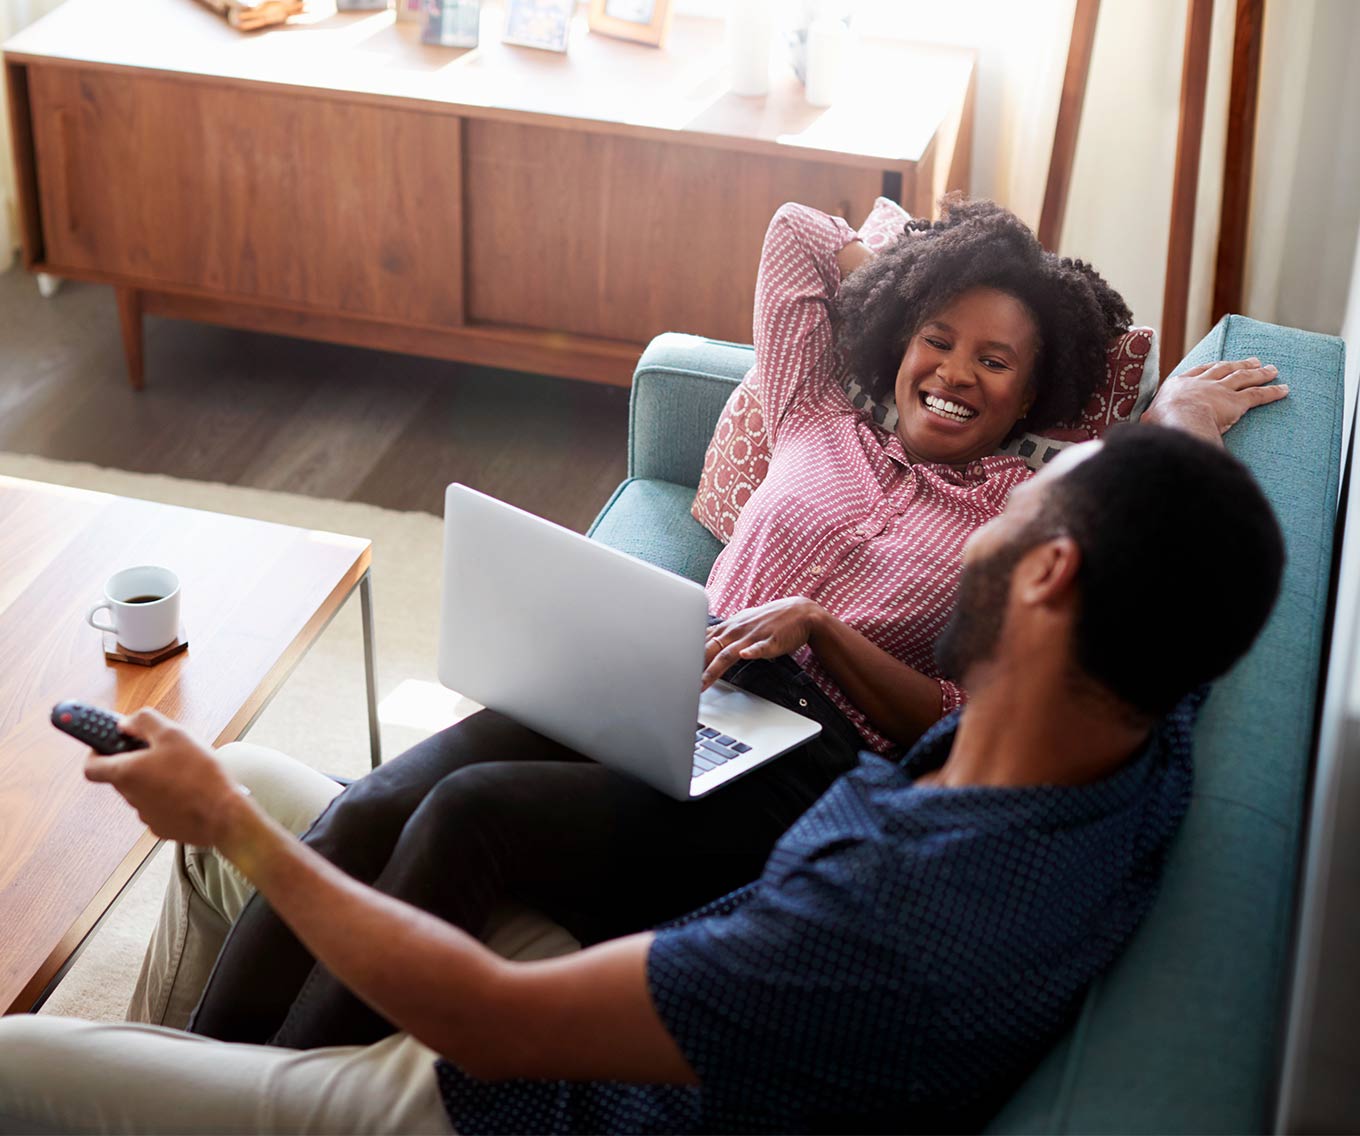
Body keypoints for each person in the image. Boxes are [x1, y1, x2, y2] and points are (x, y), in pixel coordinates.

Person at [162, 199, 1292, 1051]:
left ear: (1032, 397)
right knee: (374, 800)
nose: (955, 372)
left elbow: (962, 710)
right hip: (667, 677)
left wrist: (823, 630)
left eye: (996, 362)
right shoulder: (816, 409)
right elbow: (797, 233)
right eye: (938, 339)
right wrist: (920, 274)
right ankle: (208, 1067)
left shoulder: (1021, 515)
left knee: (466, 813)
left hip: (802, 759)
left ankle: (286, 1093)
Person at [0, 425, 1286, 1135]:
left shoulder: (892, 916)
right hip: (631, 1015)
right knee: (249, 776)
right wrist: (1168, 436)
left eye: (1016, 511)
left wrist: (231, 825)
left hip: (509, 1103)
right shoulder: (1133, 723)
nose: (978, 536)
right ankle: (181, 1069)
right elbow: (1175, 560)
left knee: (31, 1045)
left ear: (1052, 575)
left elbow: (493, 1020)